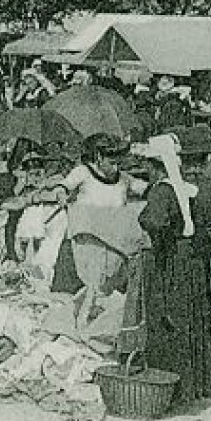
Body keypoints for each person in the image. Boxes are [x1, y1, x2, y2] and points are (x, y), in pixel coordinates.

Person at [137, 129, 211, 406]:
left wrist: (160, 241)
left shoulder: (169, 188)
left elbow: (155, 221)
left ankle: (184, 382)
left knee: (180, 316)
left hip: (177, 256)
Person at [57, 133, 145, 326]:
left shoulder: (122, 179)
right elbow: (64, 185)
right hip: (88, 241)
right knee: (84, 291)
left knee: (109, 291)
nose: (116, 168)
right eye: (112, 162)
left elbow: (142, 188)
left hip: (114, 242)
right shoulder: (83, 172)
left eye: (118, 163)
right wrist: (62, 194)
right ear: (98, 158)